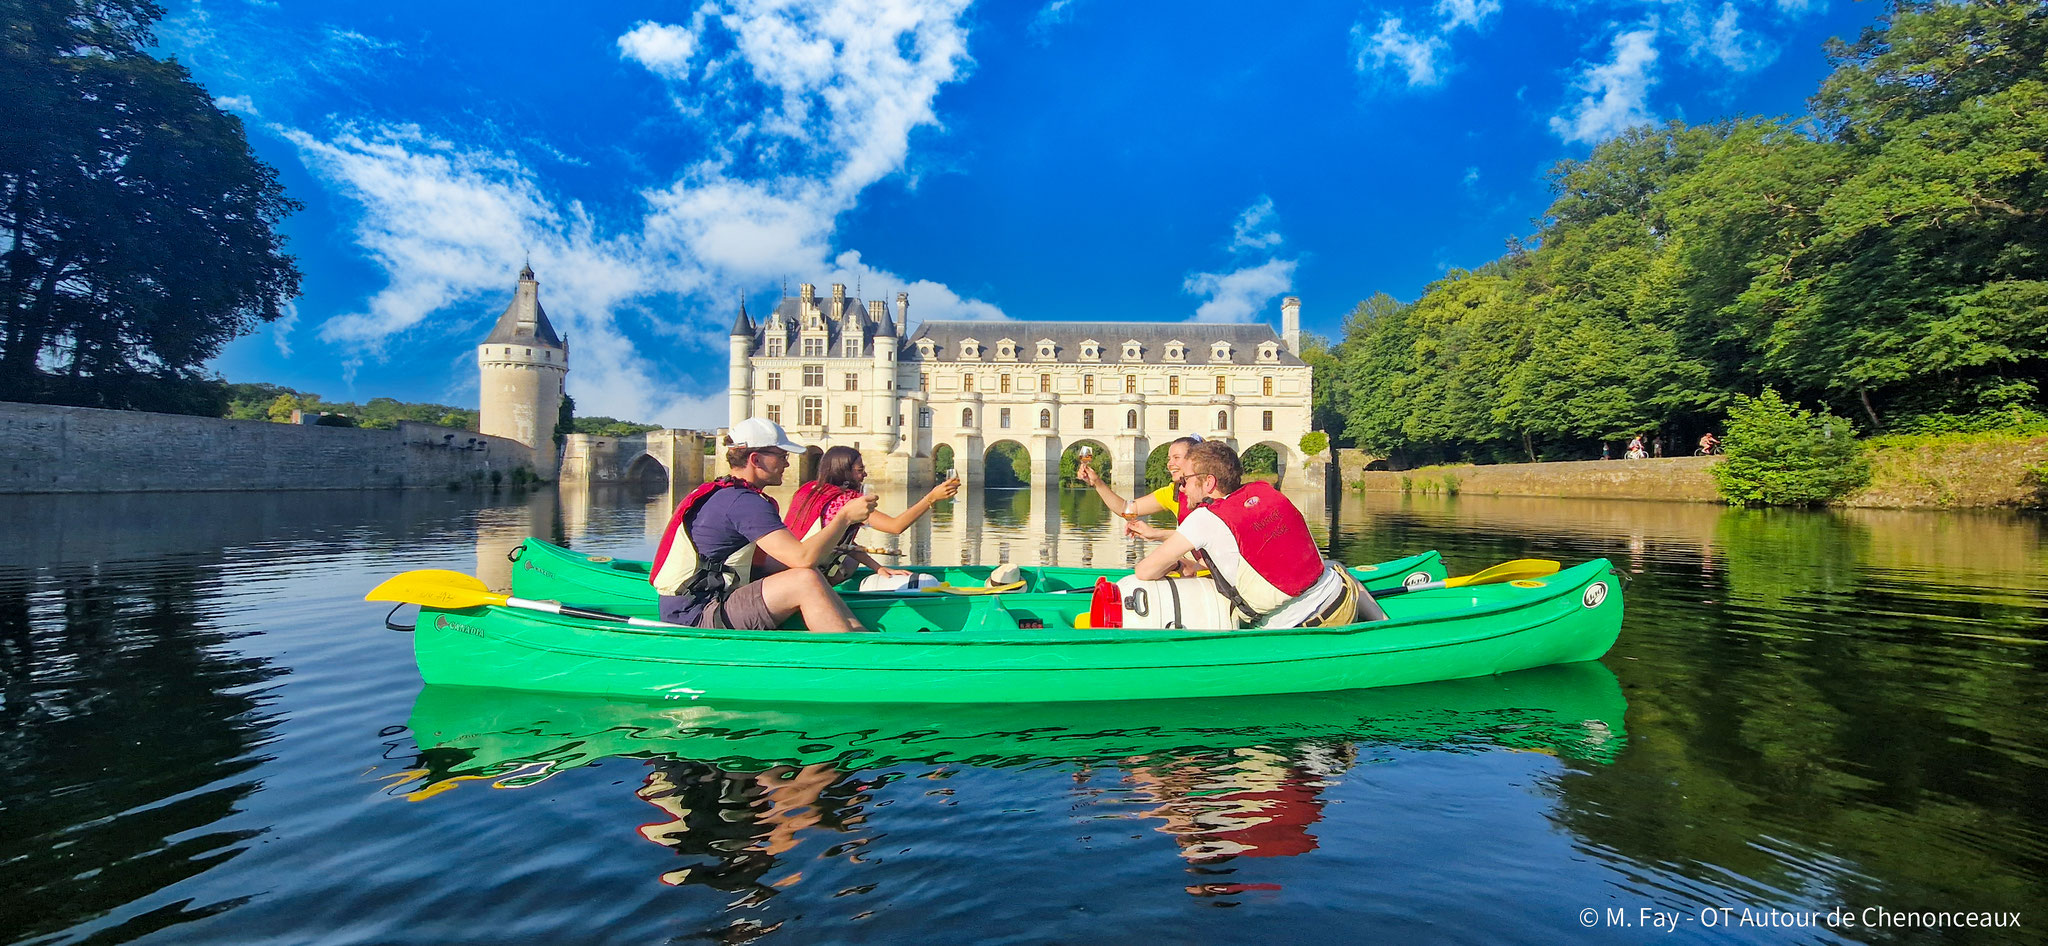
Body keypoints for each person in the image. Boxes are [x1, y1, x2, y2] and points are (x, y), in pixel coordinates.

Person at [648, 417, 874, 632]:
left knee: (808, 574)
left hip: (694, 606)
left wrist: (827, 560)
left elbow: (776, 563)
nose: (787, 463)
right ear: (755, 459)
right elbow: (802, 558)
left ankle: (859, 634)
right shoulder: (744, 502)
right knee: (804, 580)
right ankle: (853, 653)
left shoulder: (732, 494)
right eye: (782, 455)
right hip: (696, 613)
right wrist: (844, 518)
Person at [1134, 441, 1386, 628]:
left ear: (1209, 483)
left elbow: (1144, 571)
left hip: (1308, 625)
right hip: (1343, 597)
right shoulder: (1265, 494)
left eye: (1185, 479)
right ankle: (1383, 625)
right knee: (1333, 565)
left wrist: (1175, 564)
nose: (1182, 486)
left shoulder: (1203, 518)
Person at [783, 445, 961, 583]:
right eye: (860, 470)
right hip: (807, 572)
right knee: (849, 563)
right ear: (843, 471)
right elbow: (895, 526)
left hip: (786, 566)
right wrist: (931, 498)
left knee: (850, 560)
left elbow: (841, 543)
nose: (865, 474)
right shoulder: (846, 501)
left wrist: (878, 568)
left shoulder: (809, 490)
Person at [1076, 434, 1202, 541]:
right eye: (1169, 459)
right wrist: (1097, 482)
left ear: (1195, 460)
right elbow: (1125, 508)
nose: (1170, 464)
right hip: (1192, 566)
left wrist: (1157, 534)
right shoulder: (1172, 492)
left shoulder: (1213, 490)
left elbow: (1205, 536)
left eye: (1176, 458)